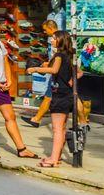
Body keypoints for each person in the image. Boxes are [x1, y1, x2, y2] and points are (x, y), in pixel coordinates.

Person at [0, 20, 37, 159]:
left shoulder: (0, 44)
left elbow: (6, 62)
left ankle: (21, 148)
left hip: (2, 85)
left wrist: (9, 79)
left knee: (10, 117)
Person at [27, 30, 78, 168]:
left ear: (61, 40)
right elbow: (79, 73)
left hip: (59, 94)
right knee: (61, 128)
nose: (51, 41)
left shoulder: (59, 55)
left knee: (57, 129)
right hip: (66, 94)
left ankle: (54, 159)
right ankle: (56, 157)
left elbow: (54, 70)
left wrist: (35, 69)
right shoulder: (70, 55)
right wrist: (70, 82)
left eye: (54, 38)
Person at [22, 19, 59, 128]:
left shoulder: (58, 39)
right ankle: (36, 119)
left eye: (45, 29)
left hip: (59, 74)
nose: (44, 32)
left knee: (72, 97)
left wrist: (38, 68)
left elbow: (60, 57)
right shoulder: (54, 38)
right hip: (56, 72)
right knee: (48, 96)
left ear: (51, 28)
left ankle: (83, 121)